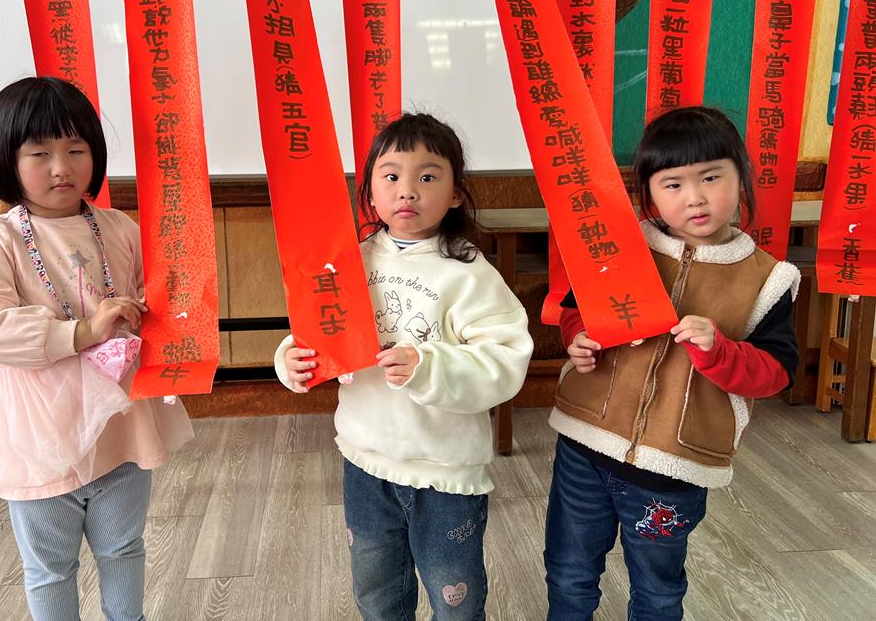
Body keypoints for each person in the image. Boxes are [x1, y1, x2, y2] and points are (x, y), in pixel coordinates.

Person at [544, 106, 800, 621]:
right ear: (650, 194)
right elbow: (574, 309)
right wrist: (579, 337)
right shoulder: (621, 244)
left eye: (711, 177)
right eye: (674, 184)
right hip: (585, 444)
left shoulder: (768, 278)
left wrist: (719, 351)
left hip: (673, 466)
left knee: (658, 591)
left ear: (741, 177)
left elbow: (775, 371)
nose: (695, 197)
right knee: (569, 572)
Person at [276, 113, 534, 621]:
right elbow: (315, 331)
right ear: (370, 193)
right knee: (376, 594)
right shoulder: (348, 261)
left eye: (428, 176)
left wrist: (427, 365)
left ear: (456, 194)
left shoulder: (469, 273)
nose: (407, 190)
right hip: (365, 460)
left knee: (454, 598)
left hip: (444, 473)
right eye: (391, 175)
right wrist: (293, 359)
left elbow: (505, 361)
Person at [0, 76, 194, 621]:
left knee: (123, 547)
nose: (61, 167)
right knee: (50, 568)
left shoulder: (120, 228)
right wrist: (84, 332)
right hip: (40, 433)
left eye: (76, 150)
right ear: (7, 160)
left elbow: (158, 304)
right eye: (40, 153)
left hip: (119, 425)